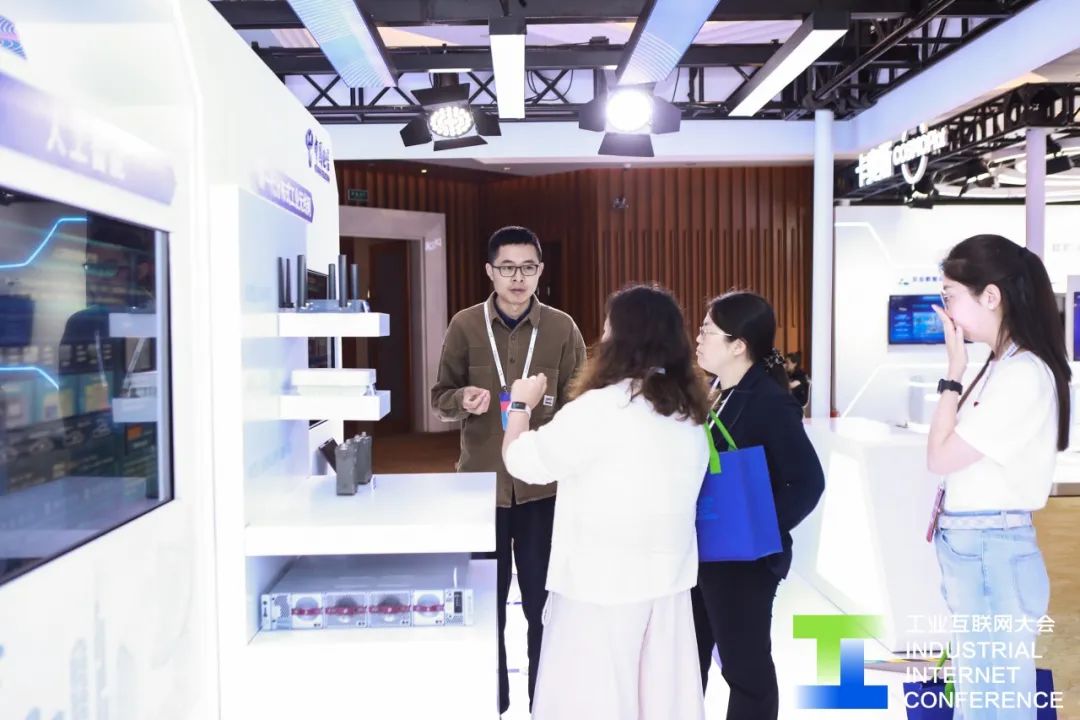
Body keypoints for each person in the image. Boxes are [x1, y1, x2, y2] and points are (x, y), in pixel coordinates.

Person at [501, 284, 709, 720]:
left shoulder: (600, 408)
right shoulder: (687, 412)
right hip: (667, 583)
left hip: (599, 586)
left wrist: (519, 403)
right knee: (662, 702)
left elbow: (523, 461)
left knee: (592, 702)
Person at [430, 225, 586, 716]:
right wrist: (462, 399)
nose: (518, 278)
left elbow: (582, 405)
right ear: (490, 271)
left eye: (527, 268)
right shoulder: (465, 325)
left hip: (545, 490)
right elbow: (439, 398)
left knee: (545, 607)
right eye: (507, 268)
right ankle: (491, 701)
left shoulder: (562, 328)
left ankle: (545, 703)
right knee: (485, 606)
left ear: (540, 271)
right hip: (483, 489)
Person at [928, 235, 1068, 719]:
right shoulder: (1002, 365)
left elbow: (940, 457)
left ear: (990, 296)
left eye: (950, 296)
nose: (945, 310)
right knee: (983, 698)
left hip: (991, 552)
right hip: (983, 551)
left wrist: (952, 373)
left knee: (993, 702)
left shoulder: (1021, 373)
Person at [692, 291, 825, 720]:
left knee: (746, 672)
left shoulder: (768, 400)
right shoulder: (718, 392)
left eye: (707, 331)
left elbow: (808, 482)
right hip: (706, 555)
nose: (698, 339)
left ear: (738, 345)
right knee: (689, 663)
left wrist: (760, 531)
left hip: (743, 563)